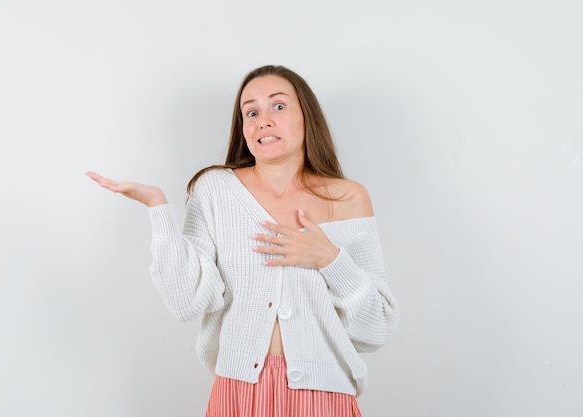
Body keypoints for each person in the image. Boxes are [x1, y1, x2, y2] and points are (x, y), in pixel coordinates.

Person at [87, 65, 399, 417]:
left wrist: (329, 259)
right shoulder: (215, 190)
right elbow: (186, 302)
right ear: (244, 129)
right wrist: (158, 208)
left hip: (325, 397)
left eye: (278, 106)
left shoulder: (348, 198)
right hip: (238, 395)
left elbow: (378, 327)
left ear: (306, 117)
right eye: (251, 112)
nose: (263, 120)